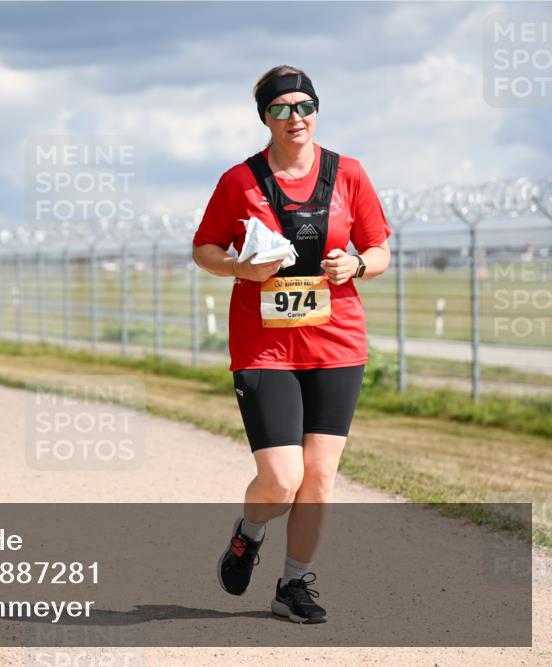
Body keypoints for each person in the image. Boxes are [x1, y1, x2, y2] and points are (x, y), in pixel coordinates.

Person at [191, 65, 391, 624]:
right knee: (283, 479)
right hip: (264, 349)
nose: (294, 116)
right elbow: (204, 246)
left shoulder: (349, 174)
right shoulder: (240, 181)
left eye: (304, 105)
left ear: (316, 110)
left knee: (320, 476)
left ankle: (293, 584)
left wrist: (354, 262)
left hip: (337, 345)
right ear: (264, 116)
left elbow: (379, 251)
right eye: (281, 108)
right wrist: (238, 267)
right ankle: (249, 531)